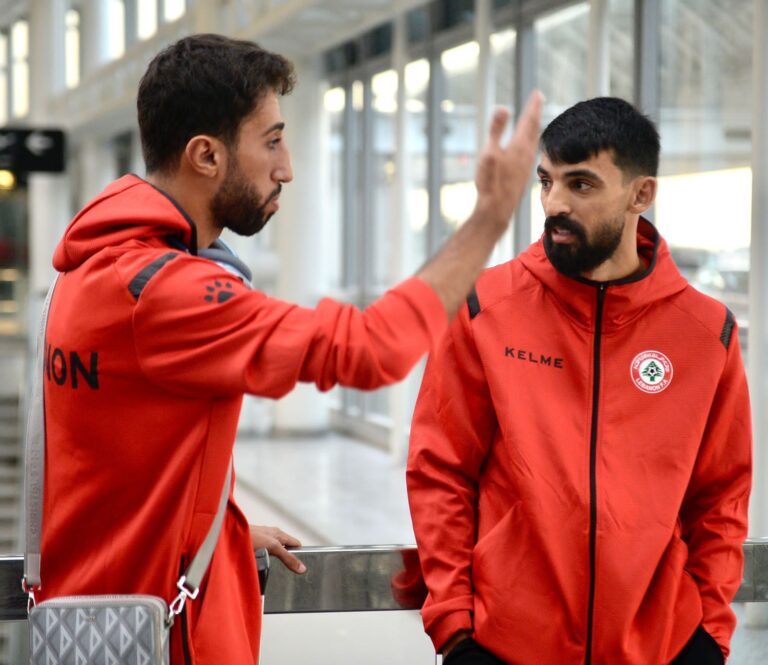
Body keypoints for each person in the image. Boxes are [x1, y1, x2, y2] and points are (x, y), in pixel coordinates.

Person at [35, 33, 541, 665]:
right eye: (272, 141)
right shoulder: (164, 293)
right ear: (206, 155)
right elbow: (370, 350)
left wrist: (217, 529)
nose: (287, 167)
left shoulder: (88, 268)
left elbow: (114, 461)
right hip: (167, 636)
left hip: (102, 612)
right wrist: (489, 218)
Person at [406, 97, 752, 665]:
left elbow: (721, 496)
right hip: (504, 647)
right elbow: (440, 470)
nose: (555, 204)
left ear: (641, 194)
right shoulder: (485, 307)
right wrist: (455, 628)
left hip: (658, 648)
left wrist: (710, 634)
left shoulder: (706, 332)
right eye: (547, 182)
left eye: (581, 185)